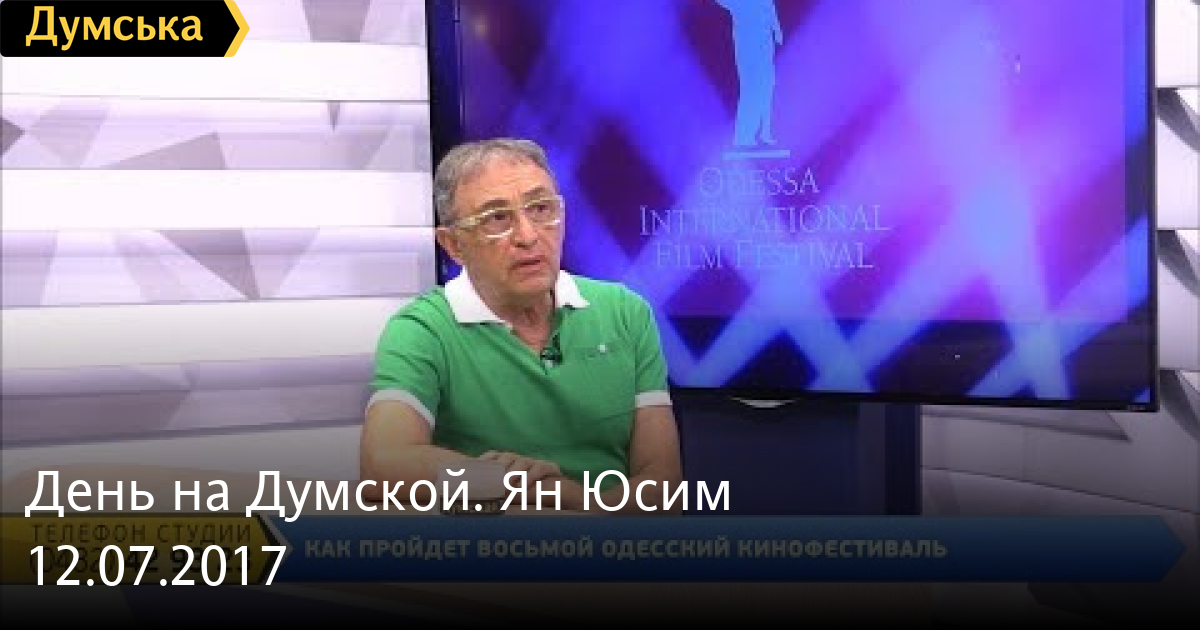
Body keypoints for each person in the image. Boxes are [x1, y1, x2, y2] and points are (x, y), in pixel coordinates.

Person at [360, 137, 683, 513]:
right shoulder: (422, 330)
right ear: (453, 245)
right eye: (497, 218)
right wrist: (502, 480)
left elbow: (664, 492)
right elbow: (383, 466)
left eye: (541, 209)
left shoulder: (625, 312)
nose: (528, 236)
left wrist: (567, 496)